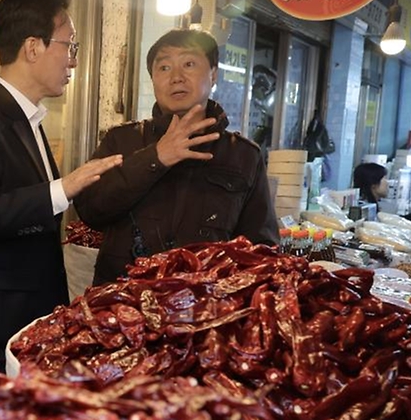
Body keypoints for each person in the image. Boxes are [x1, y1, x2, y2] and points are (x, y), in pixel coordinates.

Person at [0, 0, 123, 372]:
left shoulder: (28, 119)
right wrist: (62, 189)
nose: (73, 61)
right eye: (69, 46)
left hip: (22, 321)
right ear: (33, 47)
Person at [76, 28, 279, 285]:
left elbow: (261, 251)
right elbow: (90, 209)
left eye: (189, 64)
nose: (176, 77)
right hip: (121, 307)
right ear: (153, 79)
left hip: (204, 309)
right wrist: (155, 157)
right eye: (164, 68)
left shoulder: (243, 155)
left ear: (213, 74)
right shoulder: (120, 140)